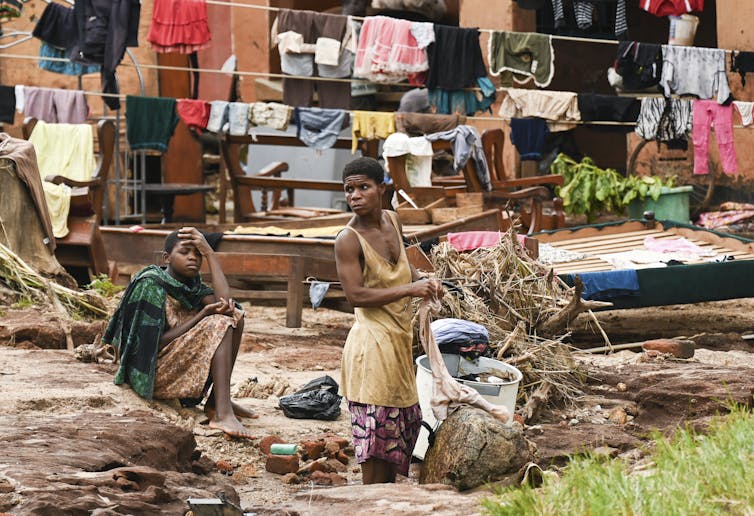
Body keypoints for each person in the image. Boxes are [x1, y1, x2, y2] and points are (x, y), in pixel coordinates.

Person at [335, 157, 442, 483]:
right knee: (375, 444)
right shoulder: (348, 240)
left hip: (397, 345)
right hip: (370, 349)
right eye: (349, 190)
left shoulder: (392, 220)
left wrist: (425, 280)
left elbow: (404, 269)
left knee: (401, 437)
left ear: (382, 188)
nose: (355, 195)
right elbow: (356, 296)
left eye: (363, 187)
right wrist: (410, 288)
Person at [103, 227, 255, 438]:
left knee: (235, 316)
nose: (192, 258)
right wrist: (201, 316)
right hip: (149, 373)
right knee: (219, 323)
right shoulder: (151, 284)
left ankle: (217, 403)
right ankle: (222, 414)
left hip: (171, 364)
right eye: (184, 252)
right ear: (167, 257)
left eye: (197, 254)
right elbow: (149, 348)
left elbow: (225, 305)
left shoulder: (191, 286)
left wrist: (210, 252)